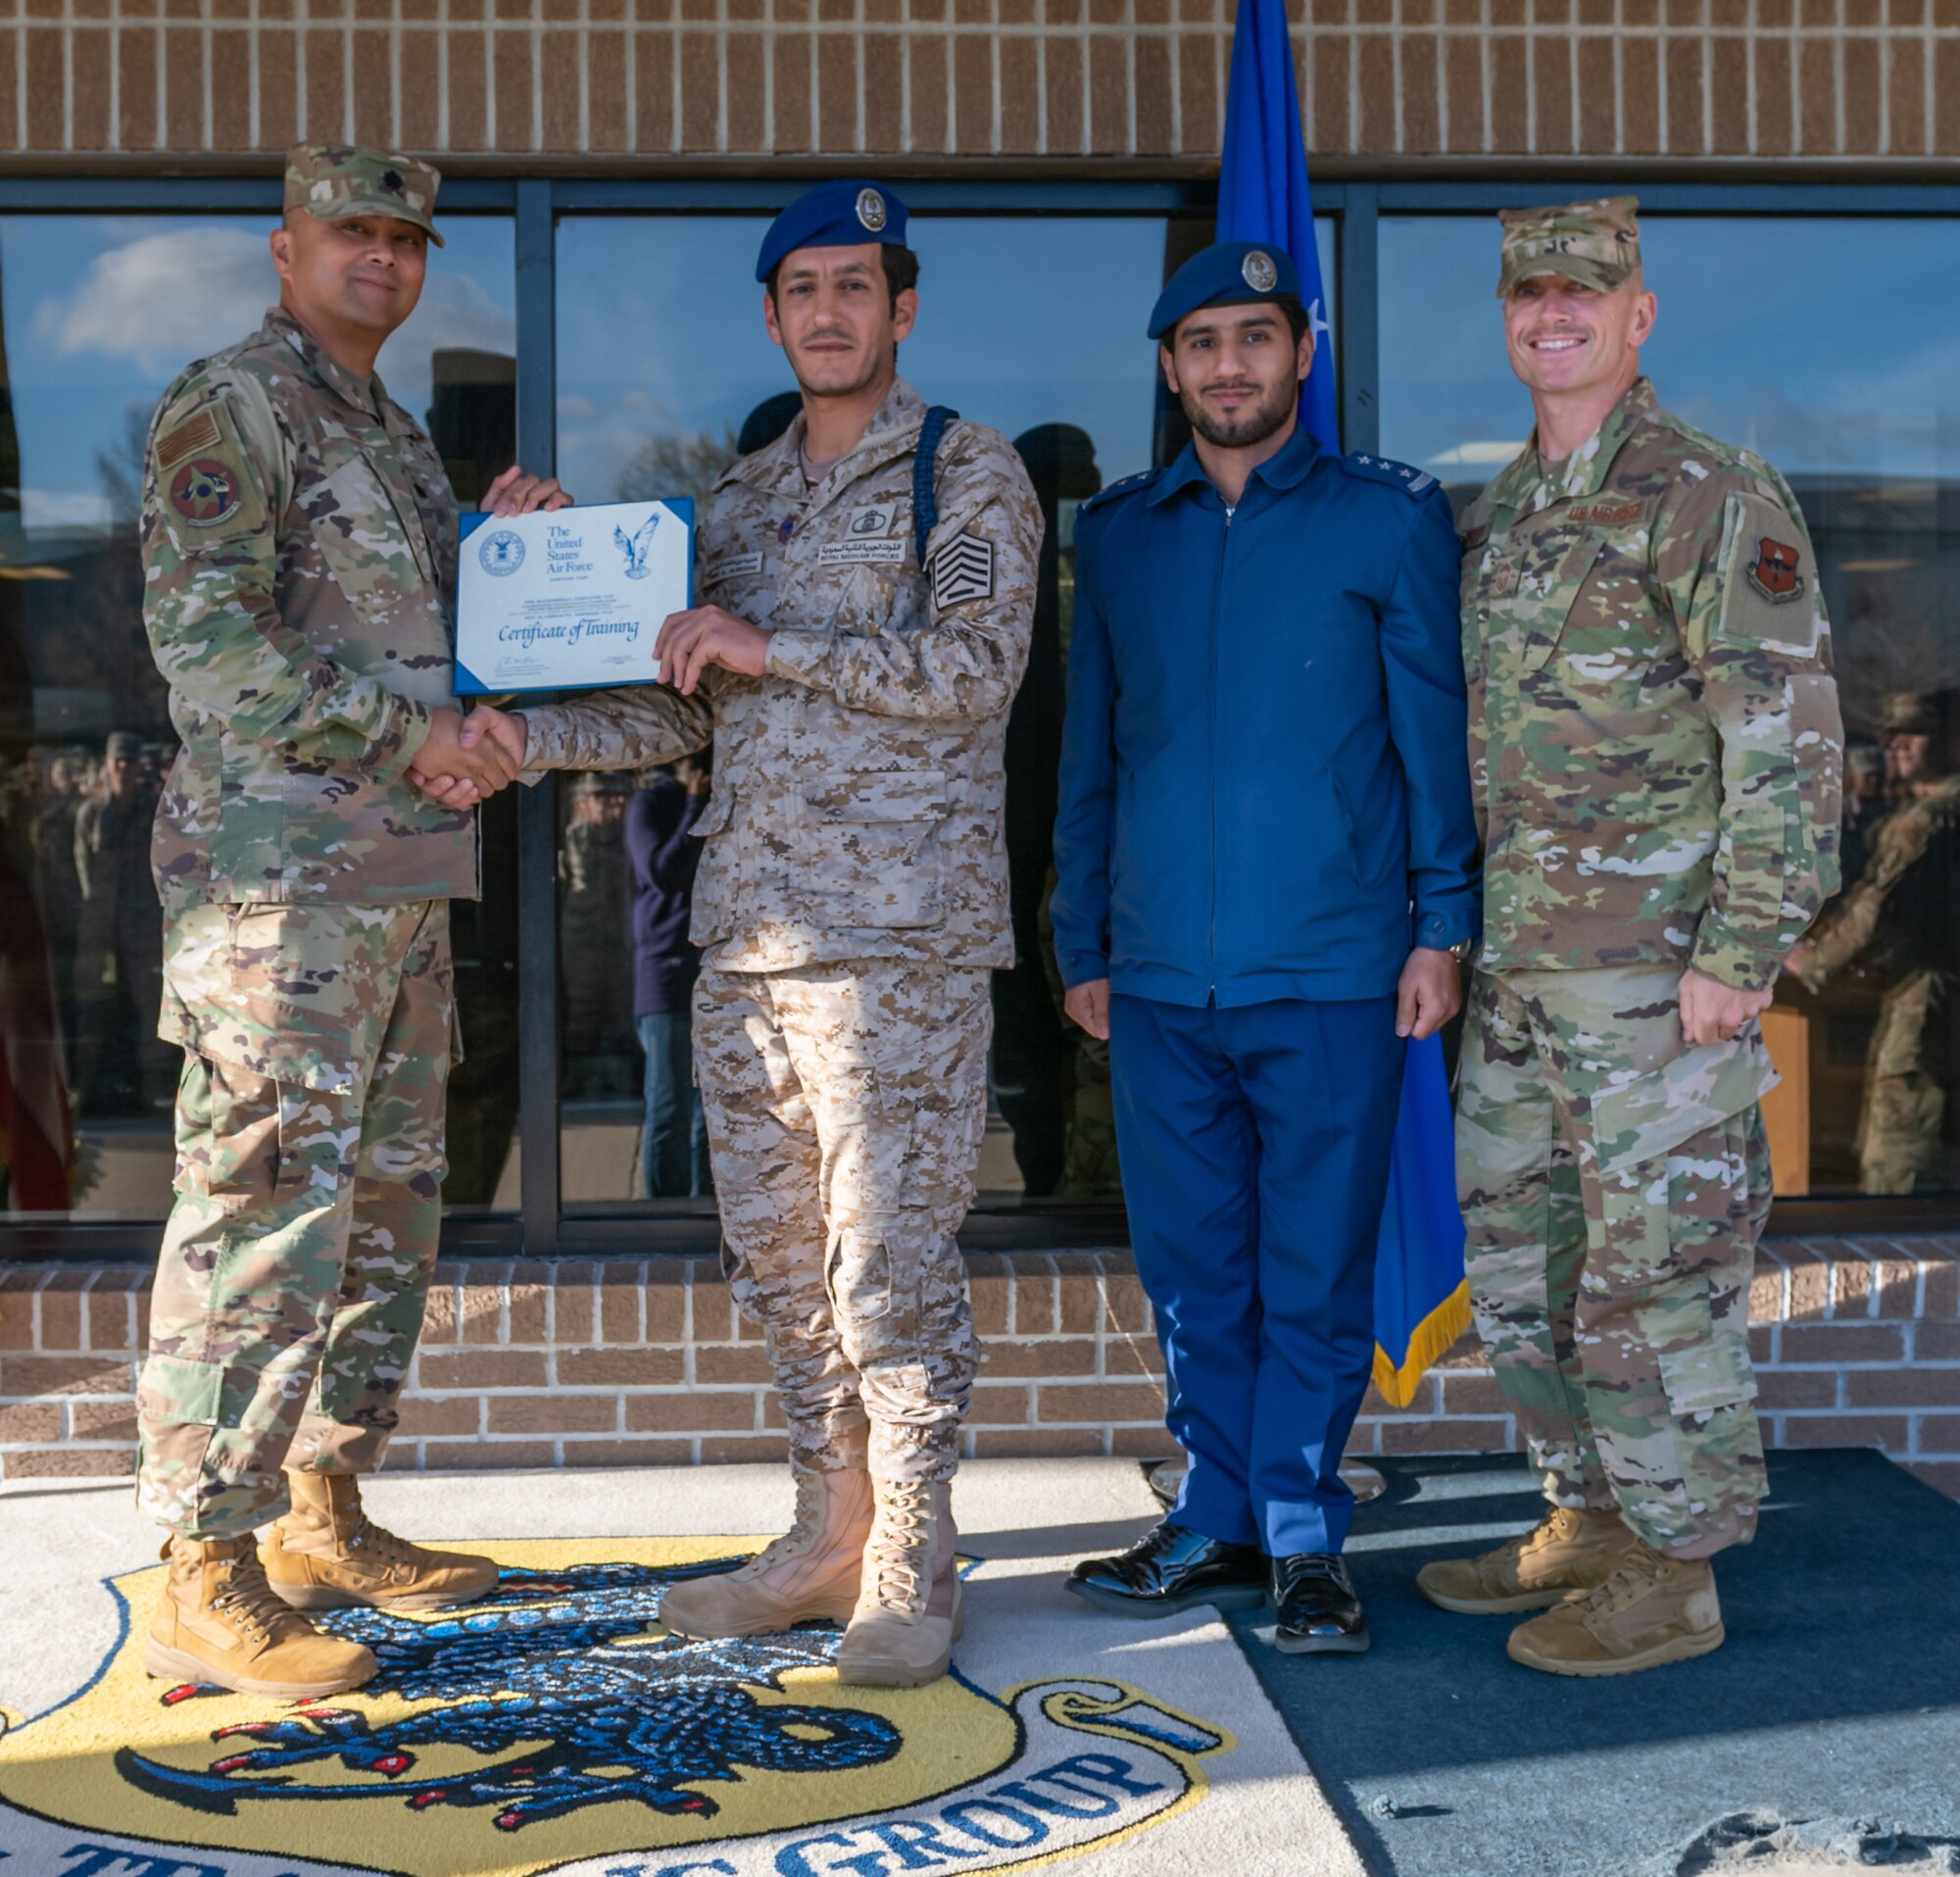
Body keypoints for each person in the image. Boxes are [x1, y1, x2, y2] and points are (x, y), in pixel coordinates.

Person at [420, 179, 1042, 1686]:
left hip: (897, 937)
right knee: (777, 1262)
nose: (829, 311)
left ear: (901, 307)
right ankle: (824, 1527)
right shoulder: (744, 495)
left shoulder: (962, 471)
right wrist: (532, 670)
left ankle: (913, 1550)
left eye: (856, 285)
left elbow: (973, 666)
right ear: (772, 316)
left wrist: (774, 643)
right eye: (801, 290)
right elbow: (673, 692)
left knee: (890, 1264)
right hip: (747, 937)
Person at [133, 142, 566, 1700]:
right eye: (351, 233)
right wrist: (408, 746)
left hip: (393, 887)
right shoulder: (233, 401)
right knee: (260, 1208)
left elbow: (414, 643)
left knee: (383, 1214)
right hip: (276, 894)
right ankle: (202, 1556)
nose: (381, 257)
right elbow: (208, 647)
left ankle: (322, 1504)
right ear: (286, 245)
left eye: (403, 238)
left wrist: (507, 547)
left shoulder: (383, 429)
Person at [1422, 197, 1843, 1675]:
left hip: (1664, 978)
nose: (1556, 311)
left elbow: (1785, 739)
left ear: (1637, 313)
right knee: (1530, 1270)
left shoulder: (1709, 494)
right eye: (1530, 290)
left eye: (1584, 291)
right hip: (1526, 974)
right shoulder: (1507, 516)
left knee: (1656, 1277)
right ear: (1508, 314)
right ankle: (1589, 1519)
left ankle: (1676, 1572)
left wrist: (1743, 950)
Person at [1049, 242, 1479, 1654]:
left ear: (1303, 353)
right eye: (1203, 343)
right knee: (1190, 1265)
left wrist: (1442, 924)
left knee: (1311, 1264)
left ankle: (1300, 1533)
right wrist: (1081, 931)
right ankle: (1214, 1509)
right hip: (1162, 974)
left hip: (1340, 966)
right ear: (1169, 368)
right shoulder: (1117, 533)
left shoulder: (1387, 519)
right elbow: (1090, 752)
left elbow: (1431, 740)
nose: (1230, 364)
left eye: (1256, 336)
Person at [1786, 691, 1960, 1195]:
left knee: (1899, 1153)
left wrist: (1812, 962)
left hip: (1926, 997)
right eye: (1892, 738)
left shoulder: (1926, 819)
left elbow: (1874, 910)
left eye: (1914, 734)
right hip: (1923, 991)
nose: (1899, 747)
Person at [627, 756, 713, 1199]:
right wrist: (695, 804)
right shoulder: (650, 803)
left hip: (716, 972)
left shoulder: (722, 799)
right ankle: (662, 1215)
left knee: (711, 1113)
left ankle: (708, 1215)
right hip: (665, 977)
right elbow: (663, 872)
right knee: (668, 1107)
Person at [74, 730, 172, 1111]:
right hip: (100, 924)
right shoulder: (92, 814)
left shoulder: (153, 809)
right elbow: (81, 866)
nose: (123, 768)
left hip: (143, 920)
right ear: (108, 764)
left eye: (129, 761)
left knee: (150, 1004)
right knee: (92, 1003)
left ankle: (152, 1084)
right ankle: (86, 1083)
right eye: (118, 760)